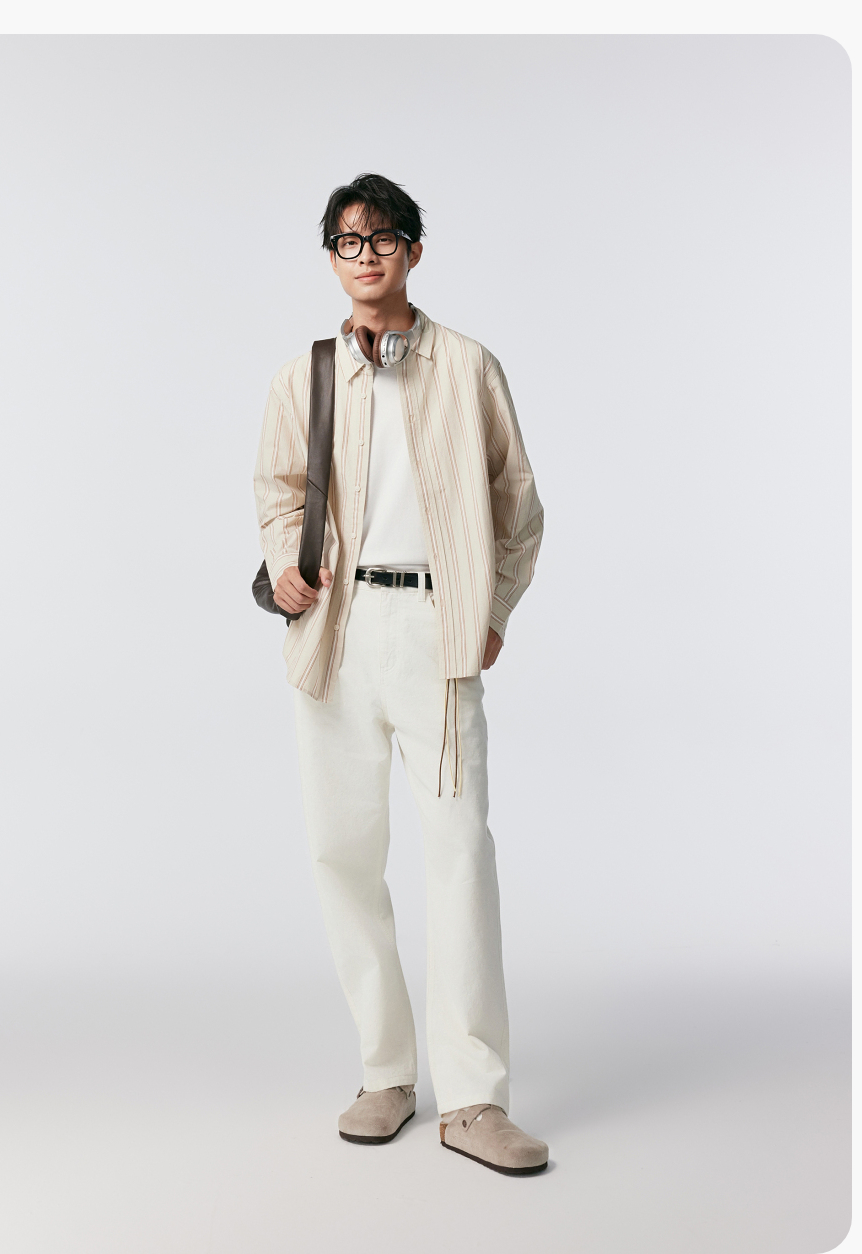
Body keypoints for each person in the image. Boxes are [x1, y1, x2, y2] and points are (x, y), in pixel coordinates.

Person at [253, 173, 547, 1175]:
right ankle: (385, 1073)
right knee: (342, 854)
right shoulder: (304, 376)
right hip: (335, 635)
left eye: (384, 237)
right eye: (348, 240)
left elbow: (518, 505)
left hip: (435, 630)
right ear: (331, 257)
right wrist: (286, 567)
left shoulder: (466, 366)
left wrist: (490, 612)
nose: (366, 253)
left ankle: (473, 1099)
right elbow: (276, 492)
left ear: (414, 251)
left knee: (457, 853)